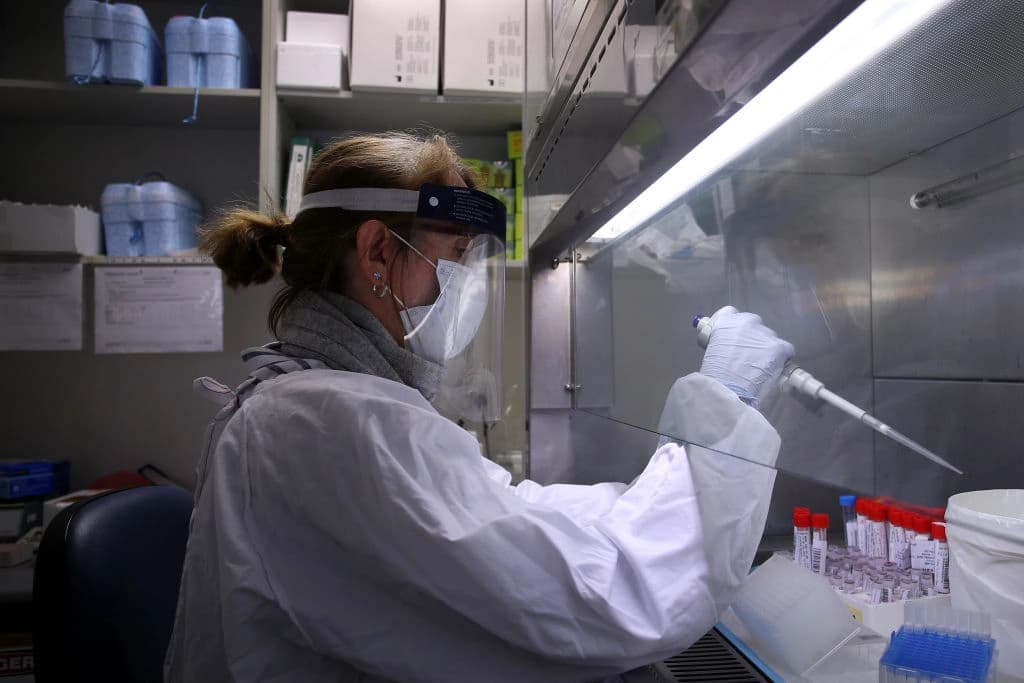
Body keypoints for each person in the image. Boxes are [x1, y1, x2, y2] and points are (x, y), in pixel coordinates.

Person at [164, 132, 794, 683]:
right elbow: (602, 605)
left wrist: (643, 501)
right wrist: (727, 405)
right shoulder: (332, 421)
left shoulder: (312, 398)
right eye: (458, 255)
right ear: (378, 251)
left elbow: (506, 514)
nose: (467, 284)